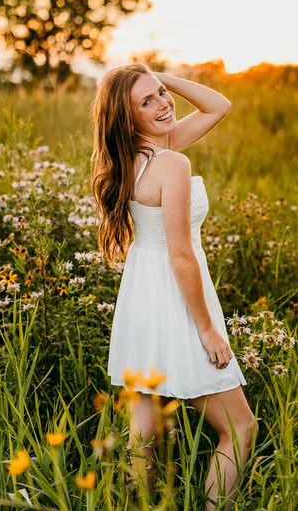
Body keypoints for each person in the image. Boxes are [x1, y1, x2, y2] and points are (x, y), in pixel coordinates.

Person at [90, 63, 259, 509]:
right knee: (240, 427)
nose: (164, 104)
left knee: (144, 434)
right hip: (177, 298)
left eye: (163, 93)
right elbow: (181, 254)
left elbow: (218, 105)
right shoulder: (172, 163)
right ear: (128, 119)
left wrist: (157, 75)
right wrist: (206, 328)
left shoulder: (133, 158)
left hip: (140, 296)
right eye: (147, 101)